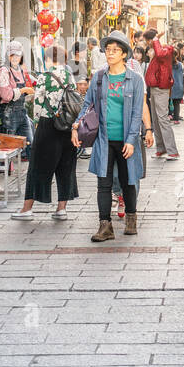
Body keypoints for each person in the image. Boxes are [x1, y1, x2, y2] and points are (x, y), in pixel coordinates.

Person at [72, 31, 148, 242]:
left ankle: (131, 219)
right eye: (108, 49)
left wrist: (132, 140)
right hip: (103, 140)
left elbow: (136, 113)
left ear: (124, 54)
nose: (110, 53)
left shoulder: (134, 79)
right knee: (103, 184)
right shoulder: (98, 77)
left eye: (116, 50)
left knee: (128, 181)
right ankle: (105, 226)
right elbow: (87, 105)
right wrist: (76, 125)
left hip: (125, 140)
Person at [11, 44, 79, 221]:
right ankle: (61, 208)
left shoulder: (44, 77)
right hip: (67, 125)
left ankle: (27, 209)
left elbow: (38, 105)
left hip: (48, 125)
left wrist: (35, 124)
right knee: (66, 166)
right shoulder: (69, 75)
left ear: (49, 59)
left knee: (37, 166)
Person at [142, 28, 180, 161]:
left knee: (162, 118)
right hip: (154, 87)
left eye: (147, 41)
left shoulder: (165, 50)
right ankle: (161, 148)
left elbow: (159, 53)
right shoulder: (158, 50)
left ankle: (172, 151)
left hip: (161, 88)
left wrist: (156, 39)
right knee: (156, 119)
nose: (147, 44)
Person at [0, 40, 36, 154]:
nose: (15, 57)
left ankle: (33, 172)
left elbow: (34, 82)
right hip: (8, 114)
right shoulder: (3, 71)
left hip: (22, 112)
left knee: (30, 145)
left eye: (18, 54)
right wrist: (24, 90)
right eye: (12, 54)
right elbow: (6, 95)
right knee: (6, 148)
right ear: (8, 56)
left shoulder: (21, 71)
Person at [169, 49, 184, 124]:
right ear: (177, 55)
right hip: (179, 86)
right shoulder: (180, 64)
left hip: (170, 86)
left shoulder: (168, 64)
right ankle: (176, 119)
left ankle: (170, 115)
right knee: (176, 104)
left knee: (169, 102)